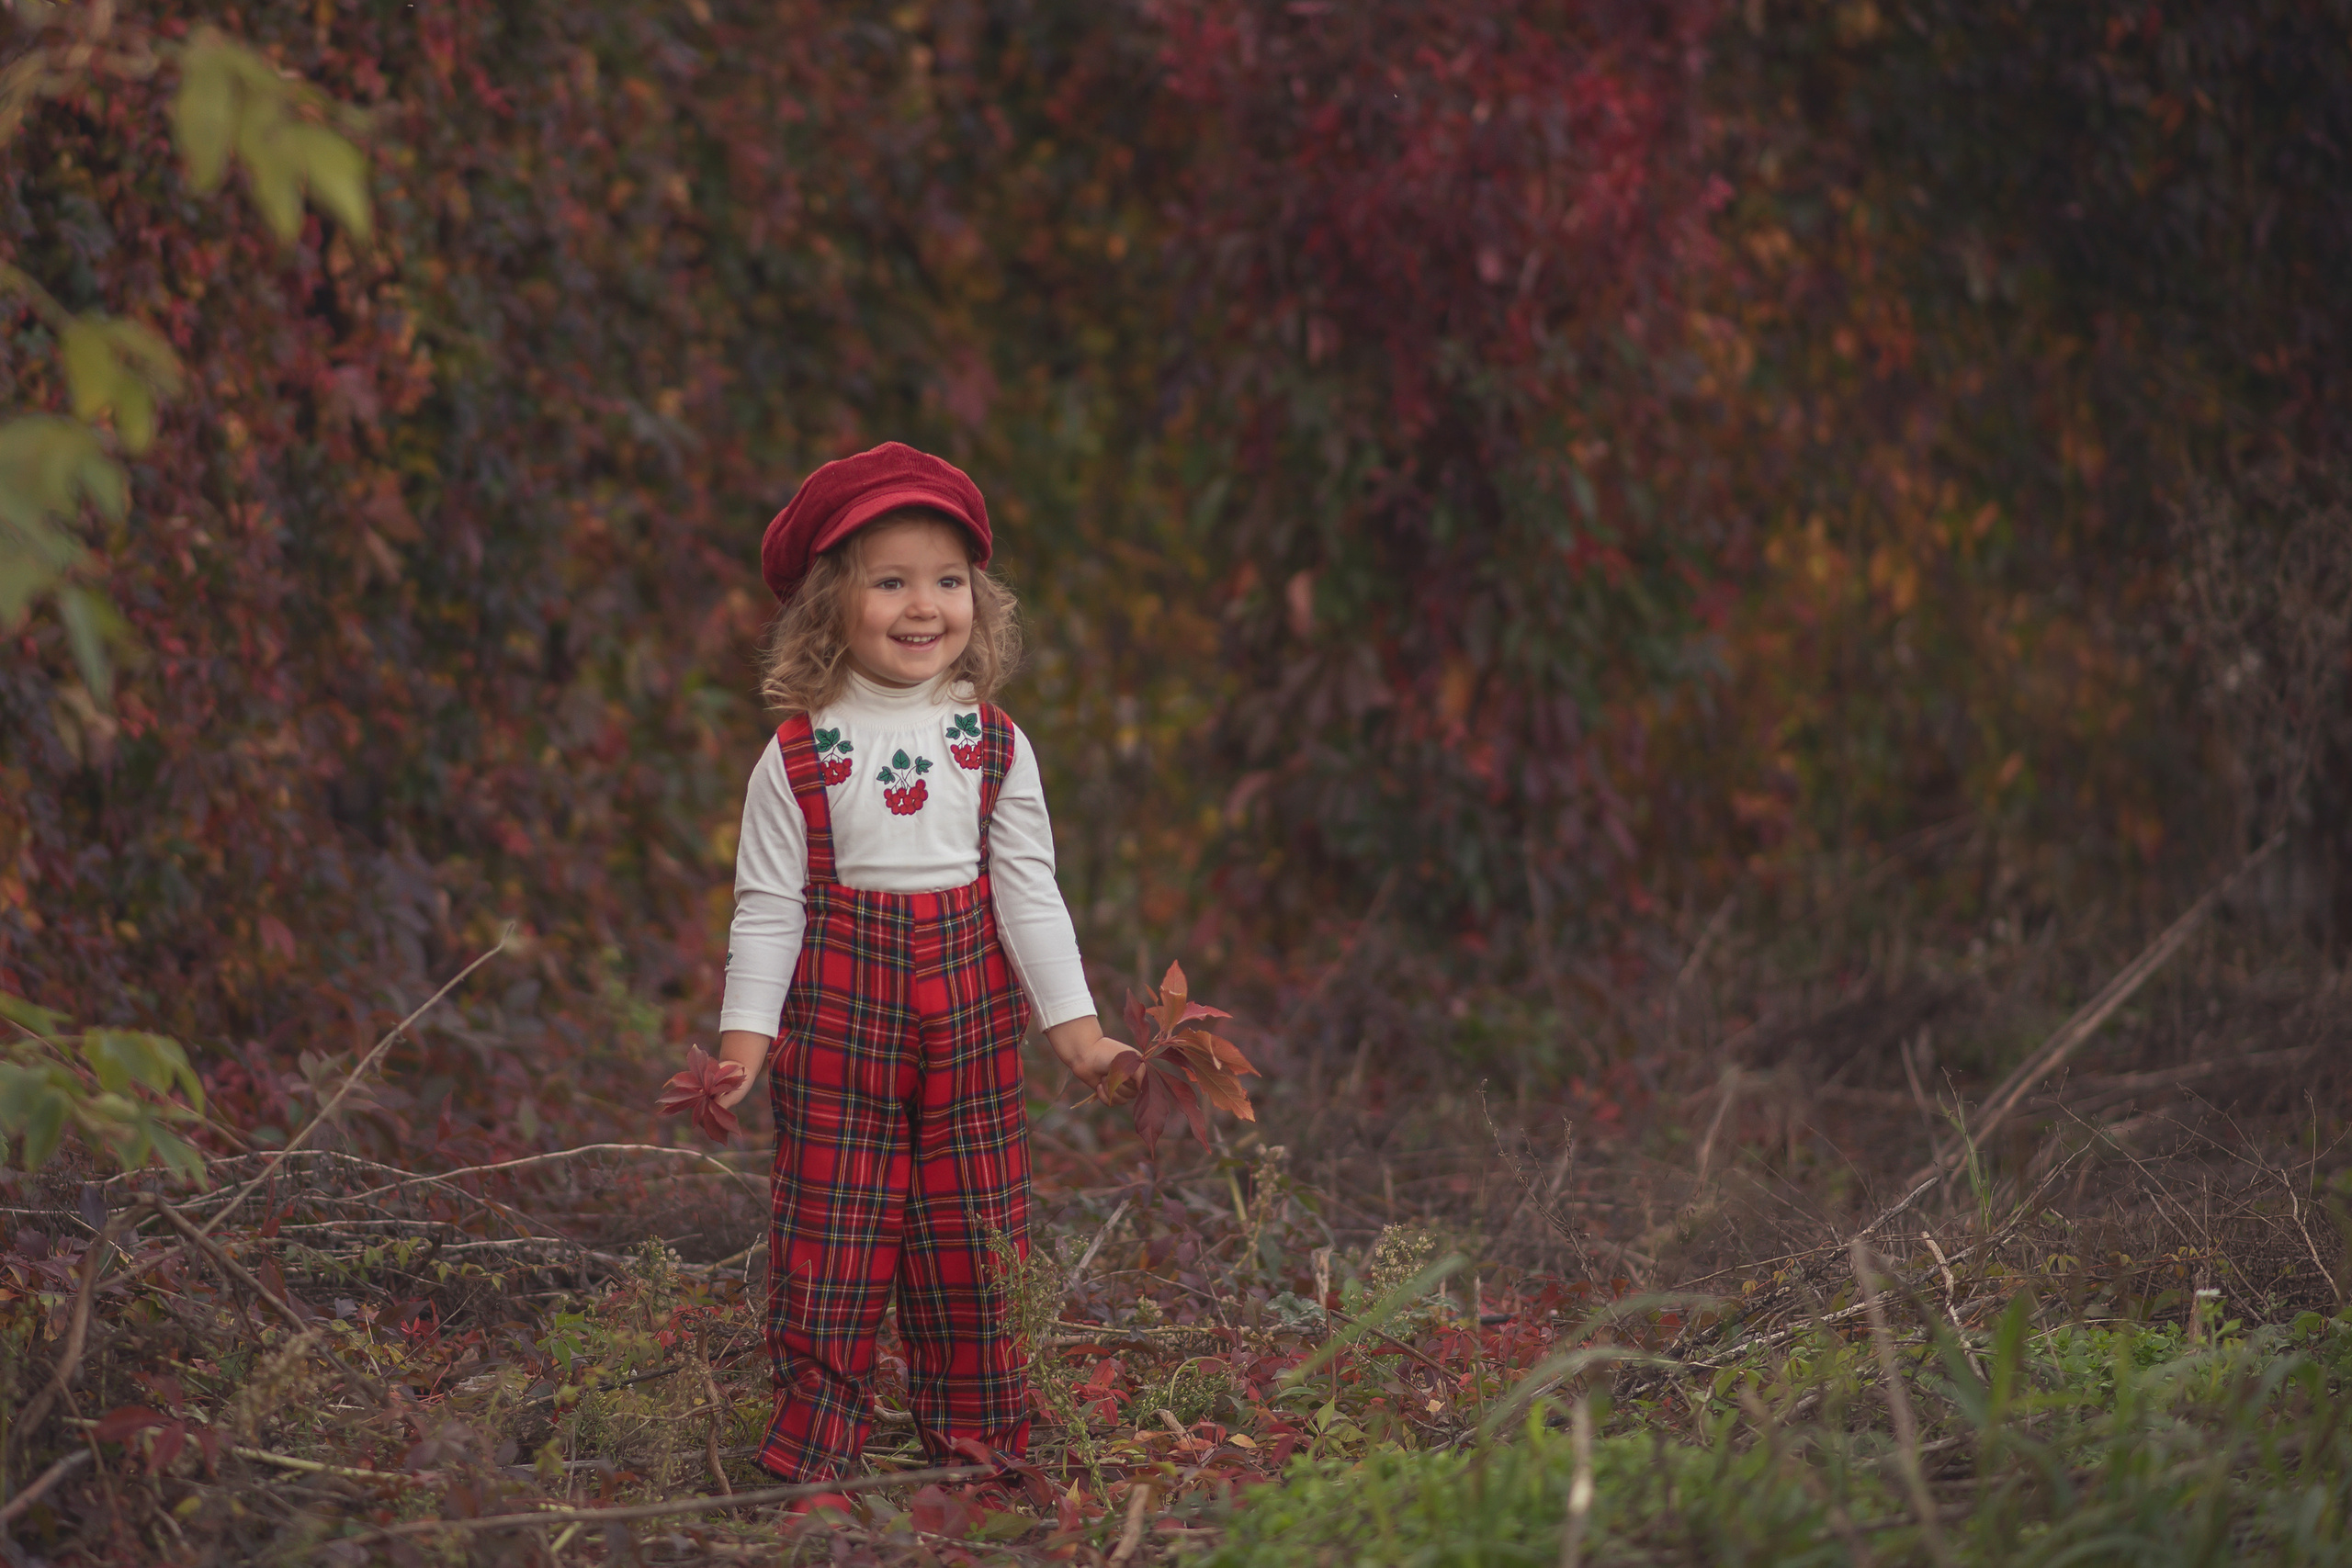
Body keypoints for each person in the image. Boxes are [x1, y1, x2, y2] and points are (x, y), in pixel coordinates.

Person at [695, 441, 1136, 1491]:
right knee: (831, 1230)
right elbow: (767, 908)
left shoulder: (993, 742)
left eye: (946, 582)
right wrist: (742, 1044)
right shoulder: (801, 751)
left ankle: (980, 1450)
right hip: (838, 1020)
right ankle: (816, 1449)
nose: (922, 606)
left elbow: (1028, 892)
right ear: (831, 606)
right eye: (890, 582)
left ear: (979, 603)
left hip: (972, 1017)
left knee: (972, 1231)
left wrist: (1074, 1031)